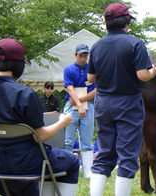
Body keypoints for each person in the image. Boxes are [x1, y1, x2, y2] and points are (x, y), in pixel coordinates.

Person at [0, 38, 79, 195]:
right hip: (27, 163)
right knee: (73, 162)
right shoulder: (24, 94)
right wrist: (63, 122)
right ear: (17, 65)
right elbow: (39, 136)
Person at [88, 2, 156, 196]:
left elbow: (90, 78)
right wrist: (153, 71)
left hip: (103, 102)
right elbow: (142, 76)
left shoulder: (97, 45)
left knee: (104, 152)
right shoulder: (135, 43)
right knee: (127, 155)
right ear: (126, 22)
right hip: (128, 102)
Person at [63, 43, 97, 179]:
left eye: (85, 55)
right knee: (68, 141)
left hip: (88, 105)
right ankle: (66, 168)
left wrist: (80, 101)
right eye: (81, 55)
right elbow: (69, 88)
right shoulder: (69, 69)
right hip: (72, 106)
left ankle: (88, 171)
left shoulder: (92, 70)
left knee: (87, 140)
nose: (83, 58)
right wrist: (79, 104)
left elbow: (96, 90)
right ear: (75, 55)